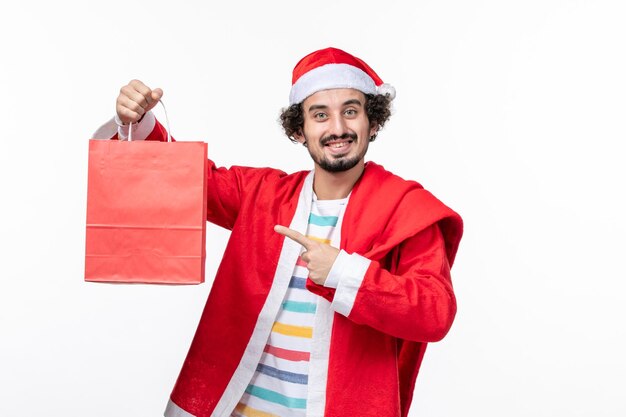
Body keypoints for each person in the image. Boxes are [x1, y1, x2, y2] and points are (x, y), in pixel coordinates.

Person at [94, 47, 463, 417]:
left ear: (373, 121)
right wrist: (138, 122)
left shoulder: (407, 209)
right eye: (320, 115)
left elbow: (434, 312)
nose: (337, 128)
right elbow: (185, 180)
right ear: (299, 130)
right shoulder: (262, 194)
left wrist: (343, 272)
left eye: (350, 111)